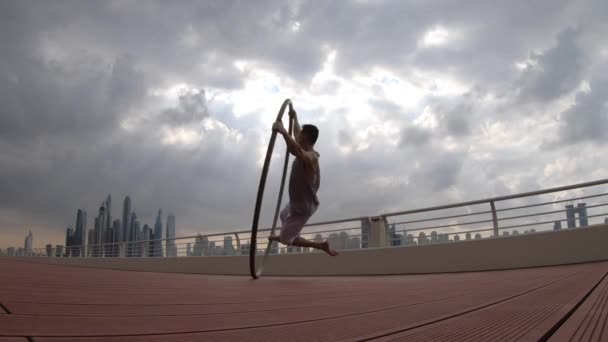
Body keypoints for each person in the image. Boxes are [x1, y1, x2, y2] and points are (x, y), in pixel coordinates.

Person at [268, 109, 339, 256]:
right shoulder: (304, 146)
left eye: (300, 135)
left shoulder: (312, 157)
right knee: (283, 215)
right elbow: (297, 133)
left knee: (285, 239)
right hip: (297, 202)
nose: (297, 135)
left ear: (305, 138)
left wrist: (282, 131)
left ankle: (320, 245)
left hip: (303, 208)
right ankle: (285, 234)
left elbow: (296, 151)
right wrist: (294, 118)